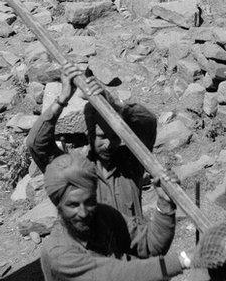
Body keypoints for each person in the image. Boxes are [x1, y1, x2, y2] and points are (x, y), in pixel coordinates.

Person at [39, 153, 193, 281]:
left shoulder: (107, 217)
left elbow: (150, 246)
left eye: (89, 201)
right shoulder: (57, 251)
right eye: (73, 205)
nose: (84, 212)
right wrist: (183, 260)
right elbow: (117, 277)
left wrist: (165, 205)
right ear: (58, 206)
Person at [27, 63, 157, 225]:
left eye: (114, 136)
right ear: (89, 135)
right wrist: (62, 99)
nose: (109, 144)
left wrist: (114, 104)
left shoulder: (130, 163)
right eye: (102, 137)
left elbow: (148, 123)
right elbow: (36, 144)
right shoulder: (72, 172)